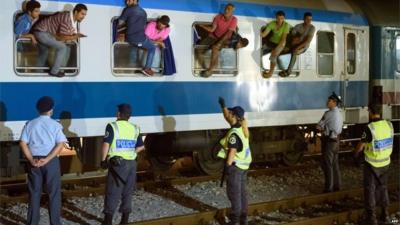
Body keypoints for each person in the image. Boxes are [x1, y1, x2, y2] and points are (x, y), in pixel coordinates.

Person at [19, 96, 67, 225]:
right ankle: (55, 223)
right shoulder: (55, 125)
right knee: (53, 194)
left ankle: (32, 222)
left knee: (34, 193)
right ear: (51, 110)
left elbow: (23, 143)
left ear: (38, 110)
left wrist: (31, 160)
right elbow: (60, 144)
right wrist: (47, 159)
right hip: (50, 162)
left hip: (34, 162)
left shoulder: (30, 124)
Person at [101, 104, 145, 225]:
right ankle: (124, 221)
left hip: (118, 164)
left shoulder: (112, 126)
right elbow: (141, 146)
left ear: (119, 114)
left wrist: (103, 160)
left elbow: (106, 144)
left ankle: (108, 221)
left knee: (113, 191)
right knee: (128, 191)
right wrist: (131, 153)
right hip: (132, 164)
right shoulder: (135, 128)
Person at [354, 104, 394, 225]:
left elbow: (360, 146)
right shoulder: (389, 125)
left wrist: (355, 156)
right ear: (380, 112)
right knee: (383, 188)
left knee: (370, 189)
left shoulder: (370, 128)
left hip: (372, 164)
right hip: (385, 162)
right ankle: (385, 215)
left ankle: (371, 218)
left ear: (370, 112)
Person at [217, 97, 252, 225]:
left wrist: (227, 166)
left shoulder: (234, 134)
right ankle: (243, 220)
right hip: (243, 167)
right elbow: (226, 116)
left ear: (234, 116)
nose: (228, 114)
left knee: (234, 194)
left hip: (235, 168)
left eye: (230, 113)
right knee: (242, 193)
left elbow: (232, 151)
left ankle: (235, 220)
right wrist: (223, 106)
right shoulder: (242, 128)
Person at [33, 4, 87, 77]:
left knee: (44, 52)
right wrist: (75, 36)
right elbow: (61, 37)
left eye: (85, 15)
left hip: (46, 33)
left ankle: (38, 71)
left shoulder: (73, 21)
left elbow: (67, 34)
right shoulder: (66, 19)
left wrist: (72, 37)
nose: (83, 17)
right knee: (62, 47)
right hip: (41, 32)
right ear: (76, 12)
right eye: (82, 14)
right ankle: (54, 71)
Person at [196, 3, 237, 77]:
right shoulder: (218, 17)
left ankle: (210, 71)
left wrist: (219, 43)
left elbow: (229, 33)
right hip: (213, 36)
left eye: (229, 9)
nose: (226, 10)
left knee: (215, 48)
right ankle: (205, 68)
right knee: (198, 49)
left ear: (232, 12)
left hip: (224, 39)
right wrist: (202, 26)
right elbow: (212, 29)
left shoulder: (234, 19)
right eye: (226, 8)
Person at [118, 0, 156, 76]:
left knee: (135, 47)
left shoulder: (127, 9)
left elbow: (120, 23)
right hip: (140, 38)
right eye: (126, 1)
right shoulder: (144, 12)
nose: (127, 2)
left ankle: (133, 67)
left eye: (129, 0)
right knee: (152, 47)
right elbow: (142, 25)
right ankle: (147, 68)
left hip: (130, 38)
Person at [316, 92, 343, 193]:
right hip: (337, 141)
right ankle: (338, 185)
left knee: (328, 165)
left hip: (329, 142)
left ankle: (329, 188)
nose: (327, 102)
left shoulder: (328, 114)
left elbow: (318, 126)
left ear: (334, 102)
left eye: (329, 101)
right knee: (335, 165)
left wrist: (322, 129)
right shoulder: (339, 114)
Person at [279, 12, 315, 77]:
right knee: (282, 48)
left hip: (303, 46)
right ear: (304, 19)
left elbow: (307, 41)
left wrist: (297, 47)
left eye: (310, 20)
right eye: (307, 19)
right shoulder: (298, 26)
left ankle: (288, 72)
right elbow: (292, 35)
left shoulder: (312, 28)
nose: (309, 21)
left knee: (294, 52)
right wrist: (294, 39)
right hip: (295, 43)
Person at [260, 11, 291, 78]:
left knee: (273, 56)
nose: (280, 20)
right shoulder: (272, 24)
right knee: (260, 51)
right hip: (272, 42)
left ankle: (270, 73)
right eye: (278, 18)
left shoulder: (286, 25)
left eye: (282, 18)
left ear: (284, 19)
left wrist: (276, 50)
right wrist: (260, 33)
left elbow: (283, 39)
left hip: (282, 43)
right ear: (276, 18)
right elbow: (264, 34)